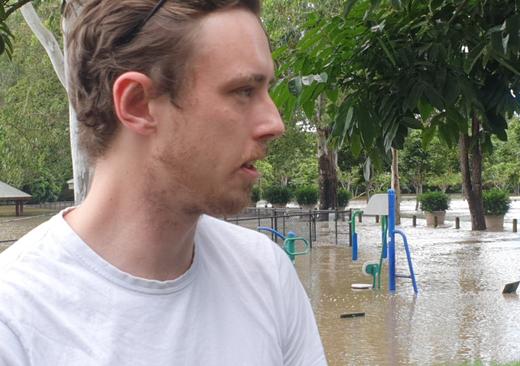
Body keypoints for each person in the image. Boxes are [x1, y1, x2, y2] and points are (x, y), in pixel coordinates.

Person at [0, 0, 326, 364]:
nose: (275, 123)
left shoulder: (266, 274)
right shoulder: (14, 319)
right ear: (138, 104)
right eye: (243, 91)